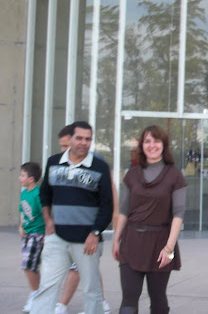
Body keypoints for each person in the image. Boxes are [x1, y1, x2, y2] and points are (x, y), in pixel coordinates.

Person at [32, 121, 113, 314]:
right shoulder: (53, 162)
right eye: (79, 138)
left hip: (87, 241)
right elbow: (45, 194)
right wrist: (47, 219)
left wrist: (95, 232)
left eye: (88, 139)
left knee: (91, 290)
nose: (84, 143)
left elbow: (107, 205)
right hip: (57, 237)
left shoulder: (99, 167)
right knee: (47, 287)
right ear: (70, 139)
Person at [112, 125, 187, 314]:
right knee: (129, 299)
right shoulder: (132, 174)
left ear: (164, 145)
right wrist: (116, 240)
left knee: (158, 298)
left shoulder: (174, 176)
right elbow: (123, 210)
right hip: (132, 242)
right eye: (147, 141)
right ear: (141, 145)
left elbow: (178, 214)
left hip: (160, 244)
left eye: (156, 140)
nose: (152, 145)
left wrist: (169, 248)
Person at [55, 123, 115, 314]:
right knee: (89, 270)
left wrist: (98, 229)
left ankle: (62, 304)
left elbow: (110, 196)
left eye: (65, 145)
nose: (63, 150)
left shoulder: (95, 163)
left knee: (79, 268)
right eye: (61, 146)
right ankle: (101, 303)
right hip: (65, 231)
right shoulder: (61, 163)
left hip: (86, 230)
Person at [19, 162, 44, 313]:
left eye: (22, 175)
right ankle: (39, 295)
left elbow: (45, 214)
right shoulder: (24, 193)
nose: (19, 178)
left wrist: (46, 234)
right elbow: (22, 211)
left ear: (31, 179)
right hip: (27, 234)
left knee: (28, 266)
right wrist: (21, 225)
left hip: (37, 234)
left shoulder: (37, 194)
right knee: (32, 267)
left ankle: (35, 295)